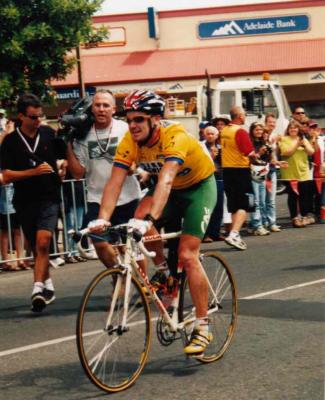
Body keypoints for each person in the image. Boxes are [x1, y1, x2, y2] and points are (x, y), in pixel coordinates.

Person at [90, 89, 217, 356]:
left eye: (139, 119)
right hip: (167, 189)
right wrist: (102, 218)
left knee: (187, 253)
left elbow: (167, 178)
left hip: (198, 188)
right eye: (129, 118)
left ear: (155, 120)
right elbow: (114, 182)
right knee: (137, 221)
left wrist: (149, 219)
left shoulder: (175, 136)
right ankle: (164, 273)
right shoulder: (130, 141)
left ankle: (203, 326)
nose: (132, 125)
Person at [0, 93, 67, 312]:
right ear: (21, 116)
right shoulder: (10, 141)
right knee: (35, 247)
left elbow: (63, 154)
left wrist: (63, 165)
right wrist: (33, 172)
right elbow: (7, 175)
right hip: (25, 200)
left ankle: (37, 288)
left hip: (50, 196)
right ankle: (47, 284)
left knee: (43, 241)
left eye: (40, 116)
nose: (38, 120)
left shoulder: (48, 133)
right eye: (33, 117)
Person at [66, 89, 141, 267]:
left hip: (127, 197)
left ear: (114, 109)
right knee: (99, 242)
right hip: (97, 199)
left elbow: (137, 158)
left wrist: (133, 165)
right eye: (97, 105)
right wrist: (67, 143)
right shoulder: (82, 135)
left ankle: (143, 289)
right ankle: (118, 275)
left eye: (106, 105)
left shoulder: (125, 129)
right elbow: (77, 173)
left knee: (132, 248)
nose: (101, 109)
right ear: (91, 108)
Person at [220, 106, 260, 250]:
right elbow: (250, 154)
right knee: (244, 204)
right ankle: (234, 233)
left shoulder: (224, 130)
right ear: (239, 116)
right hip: (240, 171)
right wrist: (260, 159)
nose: (245, 117)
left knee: (234, 205)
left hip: (228, 170)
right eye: (244, 114)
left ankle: (234, 234)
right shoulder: (240, 131)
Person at [278, 120, 315, 227]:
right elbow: (285, 153)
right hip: (290, 173)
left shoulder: (302, 139)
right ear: (288, 130)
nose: (293, 129)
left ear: (298, 129)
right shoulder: (284, 139)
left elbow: (311, 152)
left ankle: (303, 217)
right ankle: (294, 218)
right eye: (291, 128)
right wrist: (296, 145)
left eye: (295, 128)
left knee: (304, 195)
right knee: (293, 196)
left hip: (303, 172)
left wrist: (305, 145)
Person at [202, 125, 224, 242]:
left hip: (219, 178)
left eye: (212, 134)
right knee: (207, 207)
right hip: (207, 178)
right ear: (204, 135)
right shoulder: (202, 147)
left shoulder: (221, 147)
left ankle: (215, 232)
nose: (210, 136)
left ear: (217, 135)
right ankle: (205, 234)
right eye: (208, 133)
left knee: (218, 207)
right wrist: (211, 156)